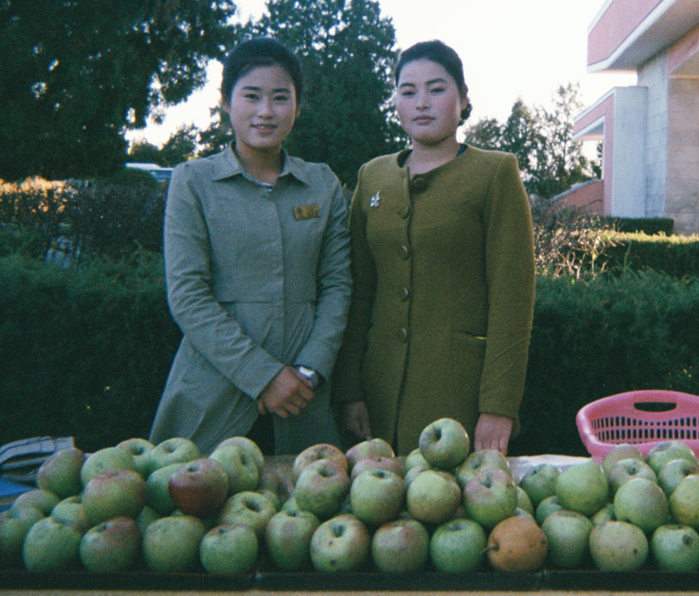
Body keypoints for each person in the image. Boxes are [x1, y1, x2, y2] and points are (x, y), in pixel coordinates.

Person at [332, 40, 535, 456]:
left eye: (437, 89)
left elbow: (512, 301)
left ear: (463, 99)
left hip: (457, 392)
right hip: (377, 391)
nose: (421, 103)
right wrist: (349, 388)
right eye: (408, 91)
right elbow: (358, 291)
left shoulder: (495, 173)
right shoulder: (372, 177)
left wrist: (499, 405)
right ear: (395, 102)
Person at [150, 37, 351, 455]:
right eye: (251, 96)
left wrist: (309, 370)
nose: (266, 111)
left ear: (298, 105)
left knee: (306, 491)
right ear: (225, 101)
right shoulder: (193, 181)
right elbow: (187, 294)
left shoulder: (322, 184)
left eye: (280, 97)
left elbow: (337, 285)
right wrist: (263, 376)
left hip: (304, 396)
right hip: (212, 392)